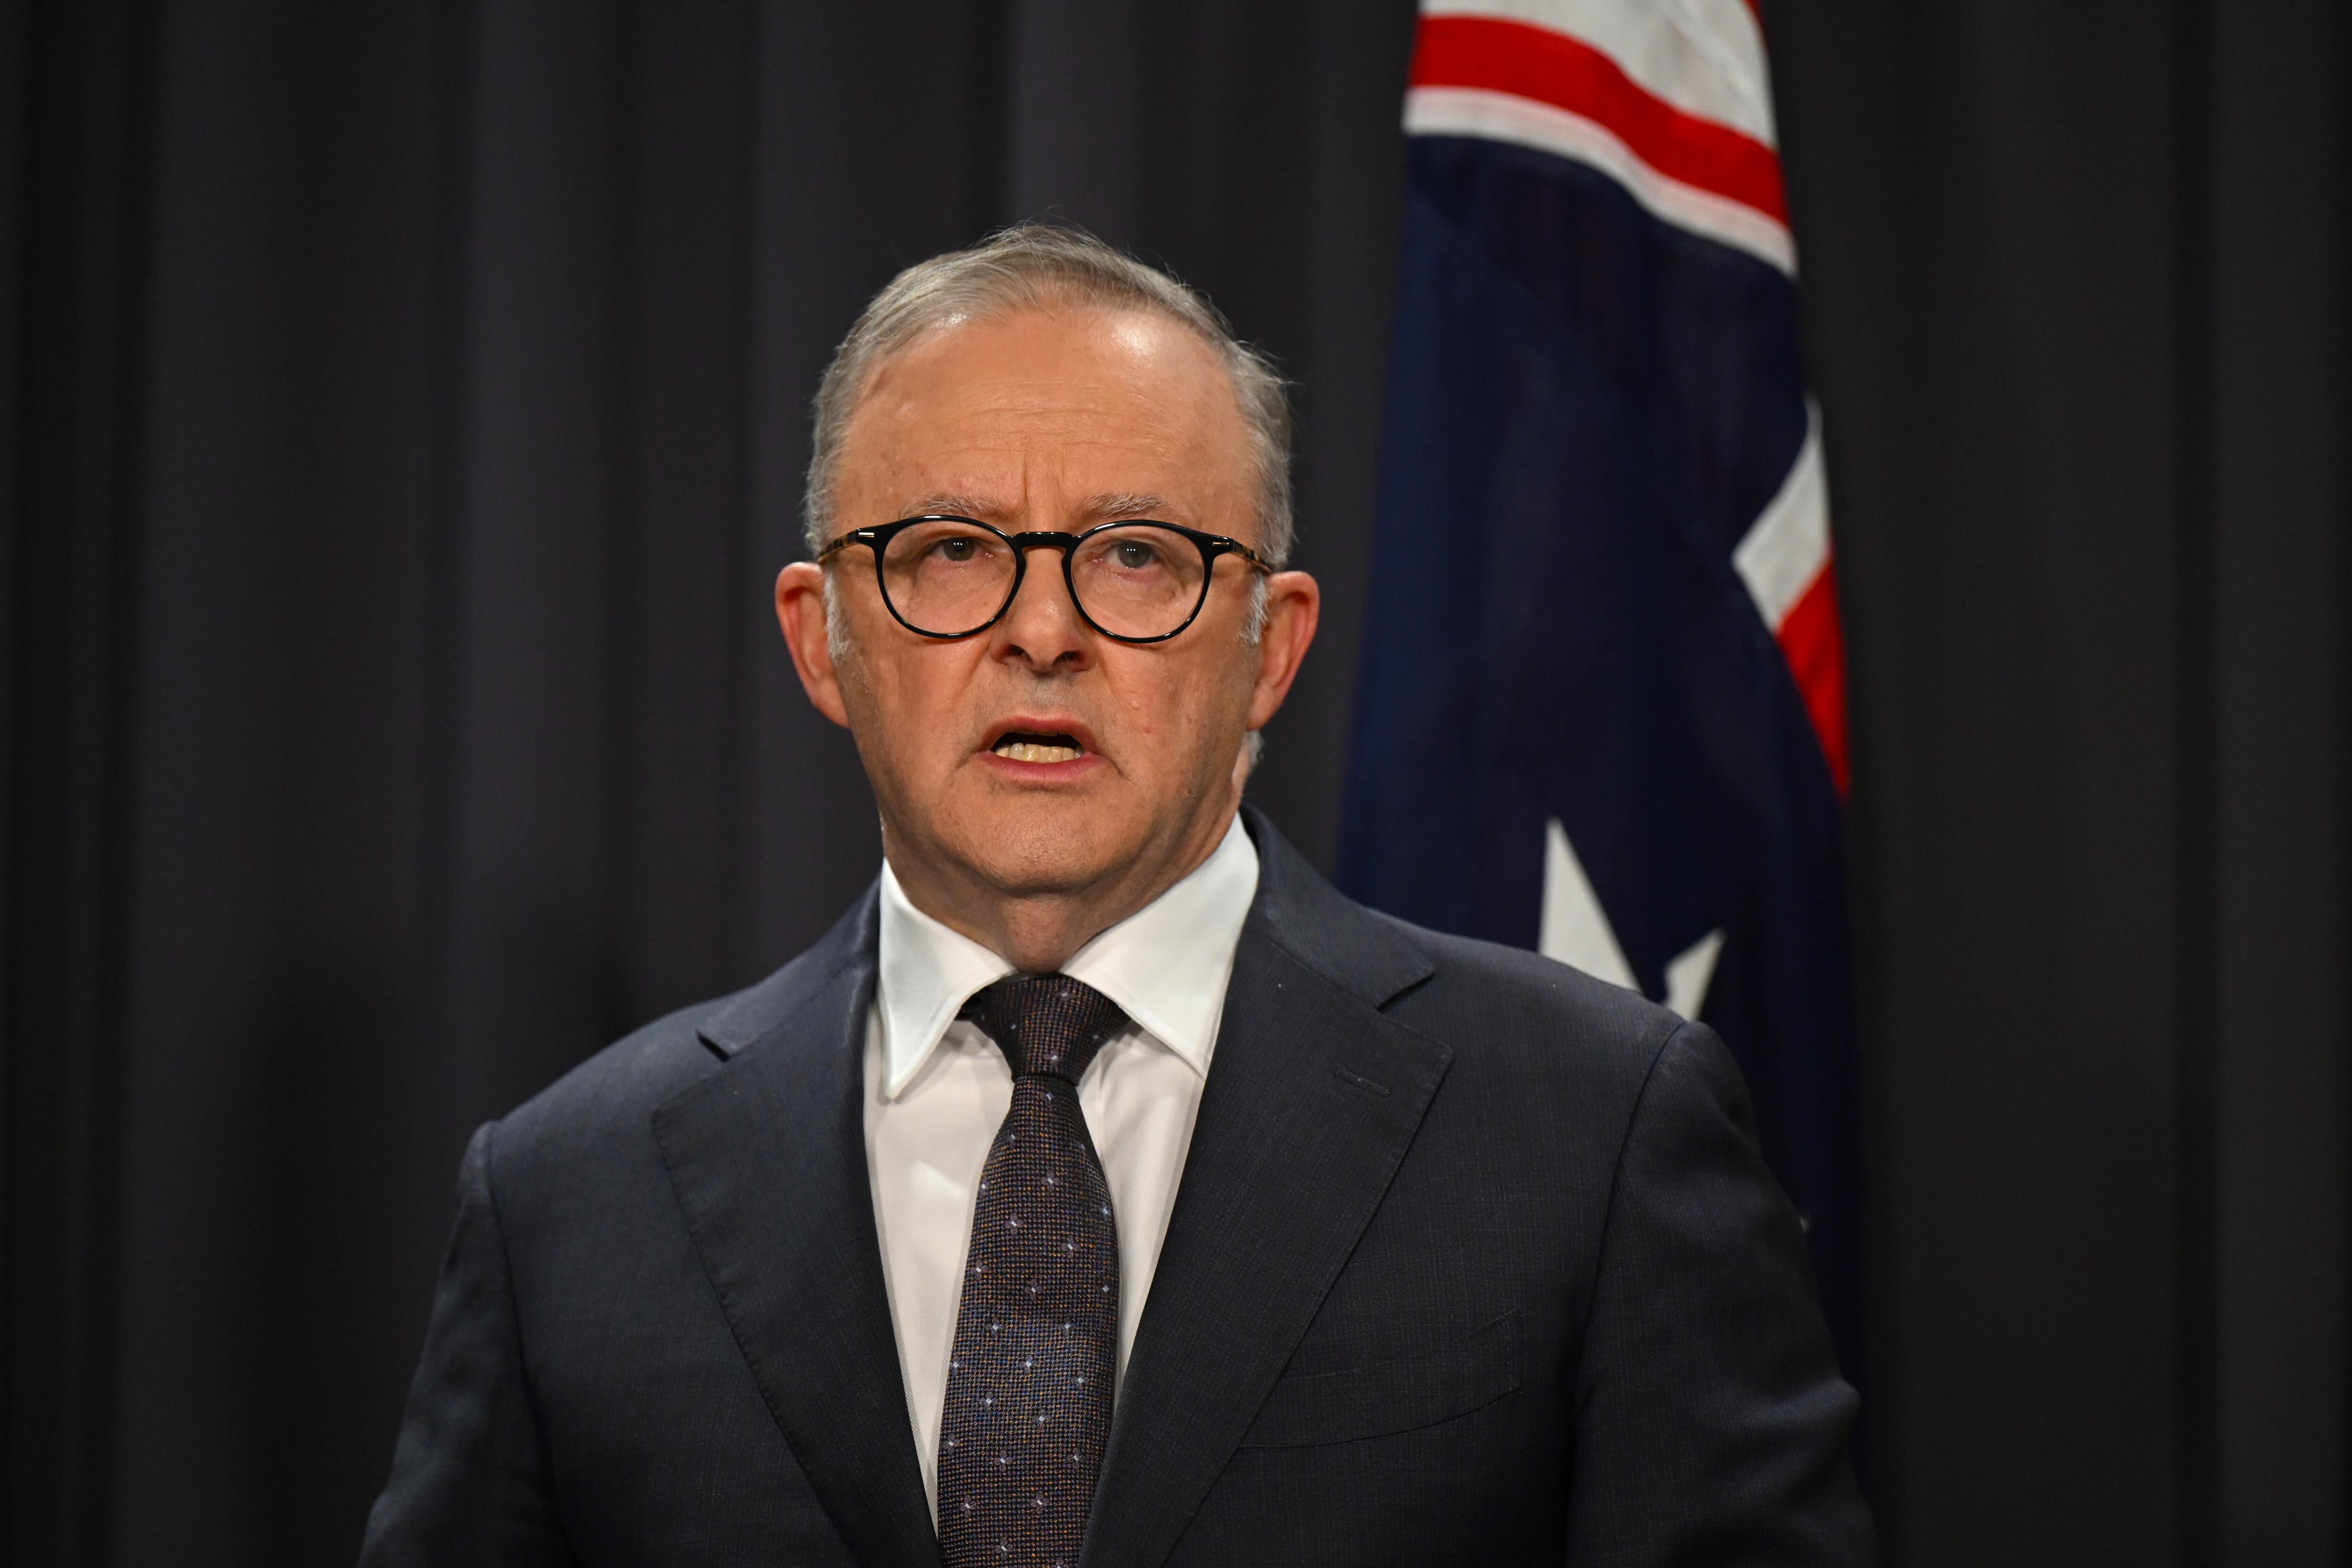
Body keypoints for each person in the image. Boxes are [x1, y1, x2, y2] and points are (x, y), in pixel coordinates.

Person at [360, 226, 1874, 1567]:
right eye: (950, 550)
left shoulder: (1596, 1134)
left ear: (1270, 649)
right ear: (822, 642)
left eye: (1135, 557)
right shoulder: (569, 1198)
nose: (1039, 632)